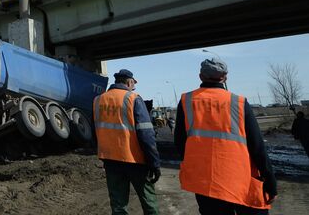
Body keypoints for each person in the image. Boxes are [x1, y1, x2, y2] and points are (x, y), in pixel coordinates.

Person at [175, 58, 277, 214]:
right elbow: (257, 146)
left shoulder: (186, 101)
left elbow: (180, 144)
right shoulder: (239, 102)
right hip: (240, 178)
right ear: (225, 77)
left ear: (201, 76)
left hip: (205, 182)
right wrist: (270, 180)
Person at [92, 69, 160, 215]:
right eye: (133, 84)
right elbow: (146, 134)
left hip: (110, 160)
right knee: (148, 201)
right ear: (129, 82)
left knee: (118, 205)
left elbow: (95, 130)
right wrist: (154, 162)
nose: (133, 87)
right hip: (134, 159)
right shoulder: (133, 98)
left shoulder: (98, 100)